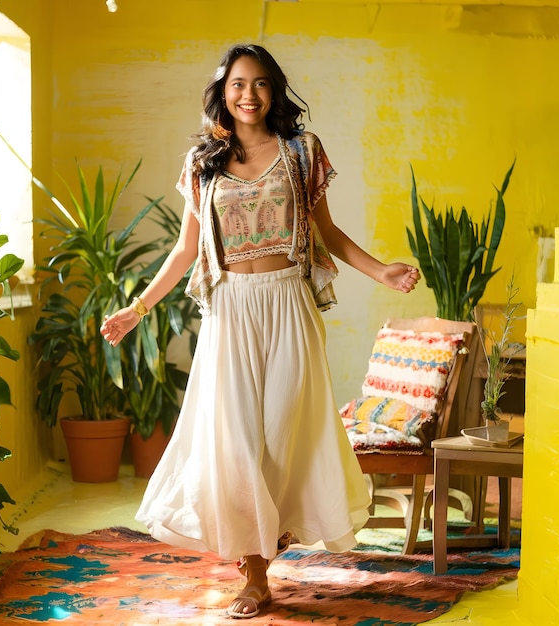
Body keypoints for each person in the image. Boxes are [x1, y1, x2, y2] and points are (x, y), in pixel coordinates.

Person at [100, 43, 420, 619]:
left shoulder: (302, 152)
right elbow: (185, 251)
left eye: (261, 84)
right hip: (230, 313)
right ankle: (255, 574)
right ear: (222, 93)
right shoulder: (202, 164)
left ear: (274, 92)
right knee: (240, 443)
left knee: (278, 436)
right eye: (238, 85)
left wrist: (382, 270)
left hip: (288, 306)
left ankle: (270, 542)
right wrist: (137, 308)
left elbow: (328, 232)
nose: (249, 95)